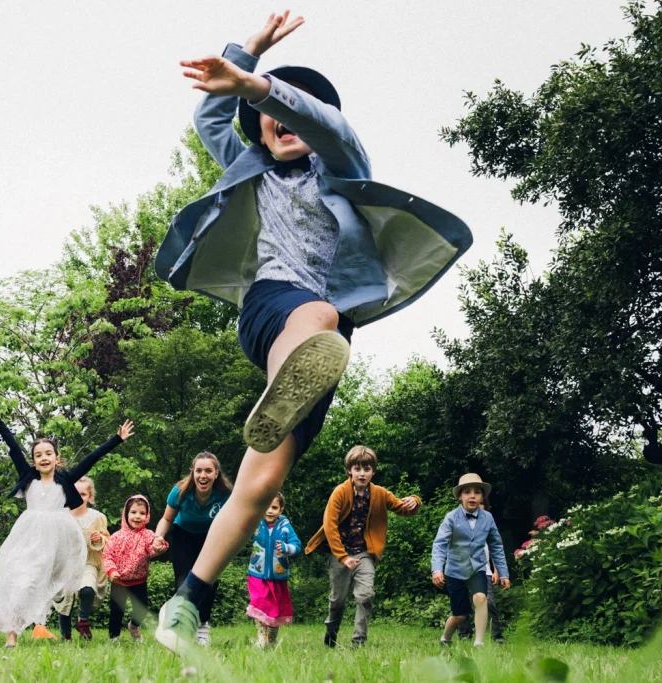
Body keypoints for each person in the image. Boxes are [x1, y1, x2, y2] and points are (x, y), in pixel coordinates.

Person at [153, 10, 472, 652]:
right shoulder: (255, 167)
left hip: (323, 341)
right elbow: (210, 118)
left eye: (294, 113)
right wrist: (243, 56)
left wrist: (260, 86)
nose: (285, 125)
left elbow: (324, 121)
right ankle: (286, 377)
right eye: (272, 121)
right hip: (272, 307)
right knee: (319, 316)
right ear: (261, 136)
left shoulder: (340, 160)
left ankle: (188, 601)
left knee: (261, 482)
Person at [0, 401, 135, 648]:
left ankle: (66, 619)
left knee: (49, 585)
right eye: (38, 455)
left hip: (58, 541)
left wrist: (117, 439)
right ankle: (13, 632)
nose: (43, 458)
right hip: (29, 536)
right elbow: (12, 446)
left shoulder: (65, 479)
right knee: (24, 581)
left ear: (56, 458)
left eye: (48, 454)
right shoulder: (28, 478)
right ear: (33, 460)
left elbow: (92, 458)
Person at [304, 446, 420, 648]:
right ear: (349, 470)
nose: (362, 473)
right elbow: (329, 525)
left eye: (367, 469)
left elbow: (402, 508)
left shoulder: (380, 494)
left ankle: (359, 642)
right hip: (340, 553)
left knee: (365, 596)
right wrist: (342, 556)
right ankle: (331, 634)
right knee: (337, 601)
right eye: (357, 469)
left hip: (364, 553)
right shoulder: (340, 492)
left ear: (373, 472)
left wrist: (414, 501)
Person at [152, 452, 232, 645]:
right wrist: (158, 537)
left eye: (208, 471)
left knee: (209, 583)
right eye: (198, 471)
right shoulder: (180, 491)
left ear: (216, 474)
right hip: (183, 536)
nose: (202, 475)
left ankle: (202, 627)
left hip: (211, 537)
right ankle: (180, 628)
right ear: (193, 473)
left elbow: (233, 522)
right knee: (183, 582)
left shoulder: (226, 494)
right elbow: (167, 519)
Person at [431, 473, 510, 647]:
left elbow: (496, 546)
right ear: (460, 496)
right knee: (460, 615)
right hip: (455, 570)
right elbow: (440, 544)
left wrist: (503, 573)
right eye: (467, 492)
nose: (472, 496)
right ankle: (446, 638)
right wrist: (437, 569)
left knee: (481, 598)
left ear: (482, 496)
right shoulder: (451, 518)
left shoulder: (487, 518)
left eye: (477, 492)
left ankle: (479, 643)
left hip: (477, 568)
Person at [102, 494, 168, 642]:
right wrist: (112, 571)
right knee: (117, 610)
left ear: (147, 515)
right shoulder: (116, 537)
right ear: (126, 514)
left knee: (141, 610)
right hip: (119, 580)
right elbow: (107, 556)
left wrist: (159, 547)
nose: (137, 517)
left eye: (142, 513)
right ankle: (114, 637)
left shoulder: (148, 535)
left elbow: (152, 549)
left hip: (139, 580)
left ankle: (133, 626)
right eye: (133, 512)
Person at [52, 476, 110, 641]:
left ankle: (82, 621)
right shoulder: (60, 516)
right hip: (64, 564)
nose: (78, 498)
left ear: (90, 497)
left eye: (83, 494)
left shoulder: (97, 517)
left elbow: (107, 539)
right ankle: (65, 635)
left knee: (87, 589)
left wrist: (99, 539)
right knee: (64, 597)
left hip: (88, 562)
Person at [246, 492, 301, 647]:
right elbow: (241, 534)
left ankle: (272, 639)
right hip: (257, 573)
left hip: (277, 576)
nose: (269, 511)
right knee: (258, 603)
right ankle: (261, 637)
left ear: (281, 510)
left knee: (274, 609)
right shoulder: (256, 523)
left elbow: (296, 545)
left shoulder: (284, 526)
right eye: (266, 507)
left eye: (274, 507)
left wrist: (285, 548)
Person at [456, 500, 506, 643]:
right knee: (463, 604)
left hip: (485, 572)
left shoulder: (488, 528)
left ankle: (496, 636)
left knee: (488, 602)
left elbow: (495, 550)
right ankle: (464, 635)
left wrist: (497, 571)